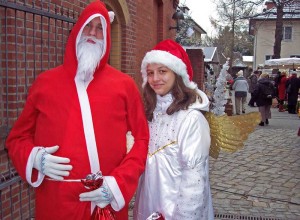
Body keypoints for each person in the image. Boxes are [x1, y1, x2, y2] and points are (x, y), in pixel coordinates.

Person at [5, 1, 149, 219]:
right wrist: (34, 158)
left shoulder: (124, 85)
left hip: (105, 201)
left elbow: (141, 140)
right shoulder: (45, 83)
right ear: (78, 31)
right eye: (88, 27)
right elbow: (17, 138)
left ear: (107, 37)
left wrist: (118, 183)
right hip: (56, 203)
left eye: (100, 28)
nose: (92, 33)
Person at [133, 39, 214, 220]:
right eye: (150, 73)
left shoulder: (191, 119)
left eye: (162, 71)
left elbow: (194, 182)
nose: (155, 79)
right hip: (149, 204)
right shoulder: (151, 115)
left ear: (177, 74)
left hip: (176, 212)